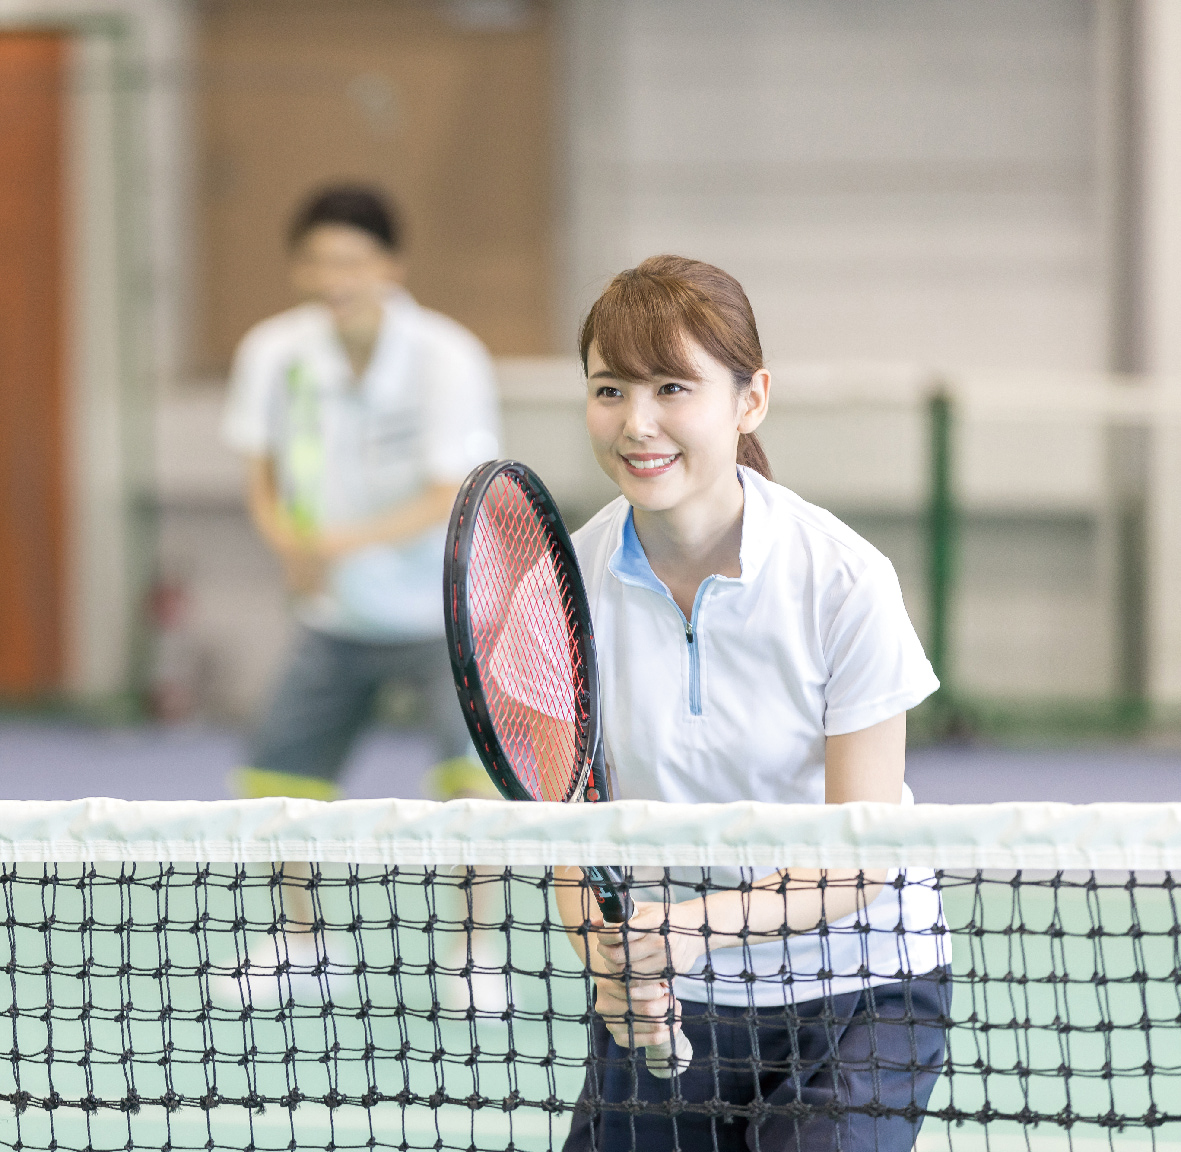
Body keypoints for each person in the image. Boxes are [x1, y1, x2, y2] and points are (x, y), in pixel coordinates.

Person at [545, 256, 948, 1151]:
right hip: (675, 996)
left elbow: (861, 853)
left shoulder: (843, 580)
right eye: (609, 389)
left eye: (672, 387)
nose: (637, 423)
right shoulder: (562, 587)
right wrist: (604, 959)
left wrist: (694, 927)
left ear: (749, 399)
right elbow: (562, 820)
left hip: (856, 986)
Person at [219, 185, 501, 1001]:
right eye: (316, 260)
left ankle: (477, 956)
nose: (332, 276)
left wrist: (330, 546)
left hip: (443, 612)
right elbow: (259, 469)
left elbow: (450, 490)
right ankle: (300, 944)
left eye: (350, 259)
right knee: (277, 781)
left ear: (390, 266)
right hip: (331, 616)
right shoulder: (274, 352)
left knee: (472, 792)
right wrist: (285, 545)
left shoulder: (448, 356)